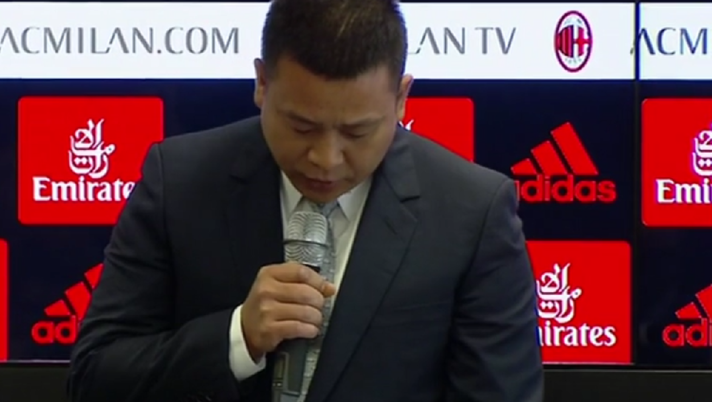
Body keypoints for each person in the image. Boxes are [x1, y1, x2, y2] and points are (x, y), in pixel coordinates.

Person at [67, 0, 543, 401]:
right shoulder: (179, 182)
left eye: (357, 132)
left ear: (401, 98)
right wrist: (238, 337)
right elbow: (93, 378)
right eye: (302, 126)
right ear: (261, 83)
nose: (326, 159)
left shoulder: (473, 211)